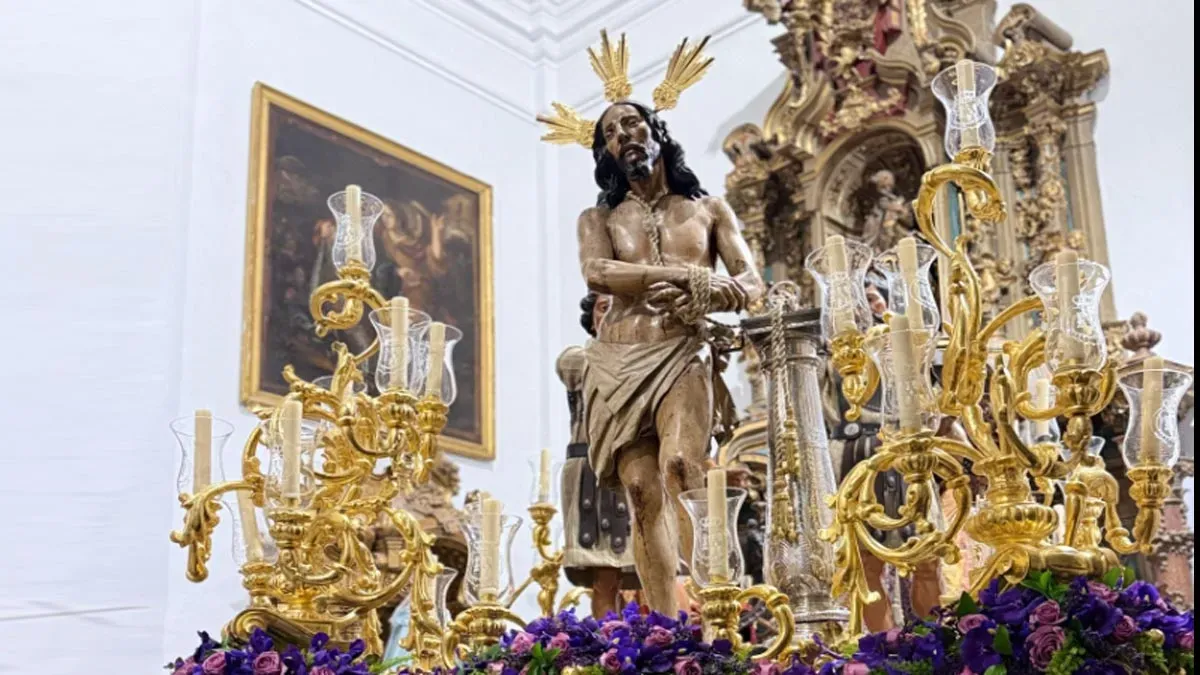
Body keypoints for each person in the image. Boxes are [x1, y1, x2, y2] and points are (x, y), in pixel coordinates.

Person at [574, 101, 765, 613]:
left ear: (656, 130)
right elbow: (597, 272)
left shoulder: (709, 210)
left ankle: (718, 612)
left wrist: (711, 292)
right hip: (617, 358)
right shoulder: (600, 217)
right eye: (611, 133)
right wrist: (682, 277)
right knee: (639, 491)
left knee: (682, 465)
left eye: (632, 123)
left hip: (684, 348)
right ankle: (664, 631)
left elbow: (751, 283)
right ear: (606, 153)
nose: (623, 135)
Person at [558, 292, 638, 618]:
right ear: (592, 318)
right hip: (590, 471)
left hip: (631, 466)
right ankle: (607, 642)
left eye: (620, 308)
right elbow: (574, 367)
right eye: (605, 309)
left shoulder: (641, 363)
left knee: (635, 572)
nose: (612, 315)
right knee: (604, 570)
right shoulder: (577, 359)